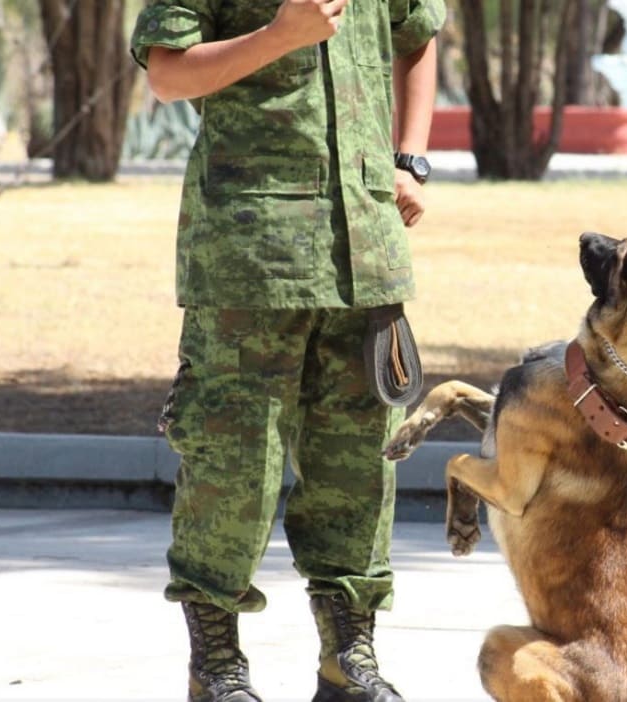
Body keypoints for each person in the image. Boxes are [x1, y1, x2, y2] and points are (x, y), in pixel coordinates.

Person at [129, 1, 444, 700]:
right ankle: (217, 669)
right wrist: (281, 36)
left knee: (359, 464)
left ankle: (348, 659)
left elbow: (419, 35)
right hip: (251, 255)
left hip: (364, 252)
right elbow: (168, 74)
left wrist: (411, 159)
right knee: (233, 463)